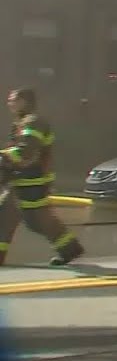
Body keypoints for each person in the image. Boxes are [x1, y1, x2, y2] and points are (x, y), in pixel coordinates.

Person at [0, 88, 85, 266]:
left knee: (33, 220)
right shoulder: (22, 122)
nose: (10, 104)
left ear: (25, 101)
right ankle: (70, 248)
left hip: (32, 181)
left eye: (13, 100)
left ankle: (70, 248)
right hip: (22, 180)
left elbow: (26, 151)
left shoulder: (34, 122)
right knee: (13, 216)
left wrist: (3, 157)